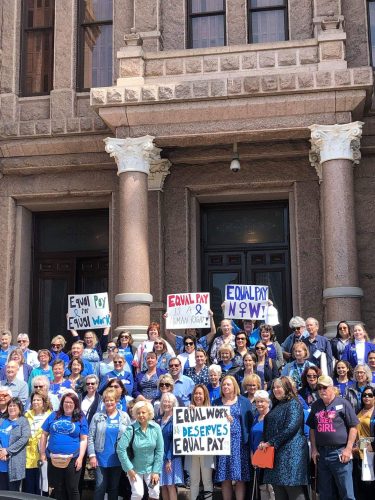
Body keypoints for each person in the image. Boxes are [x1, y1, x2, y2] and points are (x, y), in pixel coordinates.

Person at [307, 375, 359, 500]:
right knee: (325, 493)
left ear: (332, 388)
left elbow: (353, 427)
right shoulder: (316, 405)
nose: (321, 390)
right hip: (322, 453)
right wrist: (314, 449)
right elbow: (312, 429)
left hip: (339, 452)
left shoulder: (343, 403)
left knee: (346, 492)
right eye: (319, 388)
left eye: (324, 387)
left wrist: (348, 449)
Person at [259, 376, 308, 500]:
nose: (275, 390)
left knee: (293, 489)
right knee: (279, 490)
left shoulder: (294, 404)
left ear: (286, 388)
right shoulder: (277, 405)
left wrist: (270, 442)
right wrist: (265, 441)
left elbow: (290, 428)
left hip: (291, 454)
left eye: (278, 387)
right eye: (273, 387)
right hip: (276, 454)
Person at [40, 392, 89, 500]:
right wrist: (42, 453)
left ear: (76, 404)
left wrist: (80, 458)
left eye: (71, 402)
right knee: (57, 488)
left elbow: (84, 439)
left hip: (72, 459)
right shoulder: (54, 415)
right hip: (53, 458)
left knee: (72, 488)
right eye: (66, 402)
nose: (68, 405)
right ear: (62, 403)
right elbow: (44, 434)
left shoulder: (80, 417)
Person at [213, 375, 253, 500]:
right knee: (225, 477)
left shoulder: (244, 401)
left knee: (240, 477)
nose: (225, 387)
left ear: (234, 386)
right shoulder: (216, 403)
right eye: (223, 384)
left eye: (228, 384)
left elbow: (249, 422)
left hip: (239, 443)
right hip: (222, 444)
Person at [88, 387, 131, 500]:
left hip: (117, 458)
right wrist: (92, 455)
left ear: (117, 401)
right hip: (101, 458)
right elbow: (90, 437)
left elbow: (130, 437)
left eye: (112, 400)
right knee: (100, 486)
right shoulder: (97, 417)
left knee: (114, 488)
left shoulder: (124, 417)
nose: (109, 402)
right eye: (106, 400)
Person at [117, 400, 164, 500]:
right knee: (138, 494)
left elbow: (160, 450)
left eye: (143, 412)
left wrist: (156, 471)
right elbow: (120, 449)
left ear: (149, 413)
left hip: (151, 468)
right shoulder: (131, 429)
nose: (141, 415)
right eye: (138, 413)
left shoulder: (156, 428)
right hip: (135, 468)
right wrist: (128, 468)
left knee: (154, 492)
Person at [186, 385, 214, 500]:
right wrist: (187, 413)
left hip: (207, 451)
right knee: (194, 481)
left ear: (205, 396)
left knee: (207, 480)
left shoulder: (212, 412)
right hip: (192, 451)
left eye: (200, 394)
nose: (198, 396)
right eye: (196, 393)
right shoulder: (187, 411)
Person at [24, 392, 52, 495]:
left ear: (44, 402)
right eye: (34, 400)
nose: (35, 402)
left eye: (38, 400)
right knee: (29, 487)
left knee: (42, 487)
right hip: (29, 456)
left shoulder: (50, 415)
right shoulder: (26, 414)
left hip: (44, 455)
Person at [156, 393, 184, 500]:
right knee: (163, 485)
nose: (166, 404)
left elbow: (175, 440)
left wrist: (169, 459)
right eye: (164, 401)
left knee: (171, 486)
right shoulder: (158, 419)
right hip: (160, 458)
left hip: (171, 457)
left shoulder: (176, 419)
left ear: (173, 404)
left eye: (169, 402)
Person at [0, 397, 31, 491]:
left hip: (15, 463)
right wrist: (1, 451)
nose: (12, 408)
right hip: (1, 461)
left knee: (13, 493)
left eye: (14, 406)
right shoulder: (2, 420)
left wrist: (7, 451)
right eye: (10, 405)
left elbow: (24, 439)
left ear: (19, 408)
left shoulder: (23, 421)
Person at [250, 390, 274, 500]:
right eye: (257, 401)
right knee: (262, 487)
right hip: (258, 457)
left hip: (270, 457)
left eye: (262, 401)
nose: (259, 404)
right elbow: (252, 438)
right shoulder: (255, 418)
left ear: (268, 402)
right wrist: (252, 456)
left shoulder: (272, 417)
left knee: (271, 488)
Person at [352, 386, 375, 500]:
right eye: (364, 395)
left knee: (370, 486)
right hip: (360, 455)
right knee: (362, 487)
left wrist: (359, 445)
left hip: (372, 454)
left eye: (370, 395)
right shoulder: (359, 411)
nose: (366, 397)